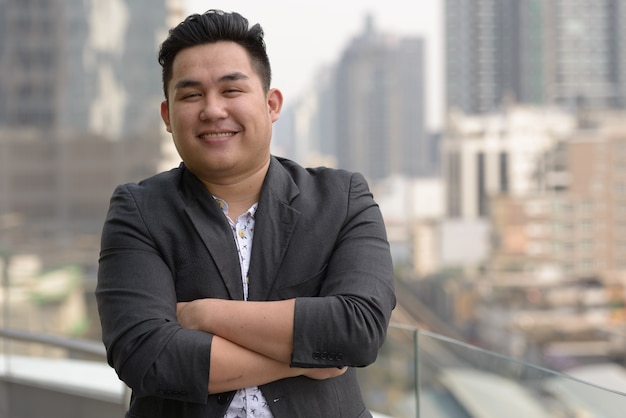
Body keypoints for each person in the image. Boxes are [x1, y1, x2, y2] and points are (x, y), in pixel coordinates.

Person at [96, 9, 396, 418]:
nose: (213, 110)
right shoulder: (139, 210)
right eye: (191, 94)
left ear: (272, 104)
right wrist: (310, 356)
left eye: (231, 90)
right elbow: (144, 355)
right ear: (168, 117)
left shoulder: (341, 199)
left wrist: (204, 314)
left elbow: (358, 329)